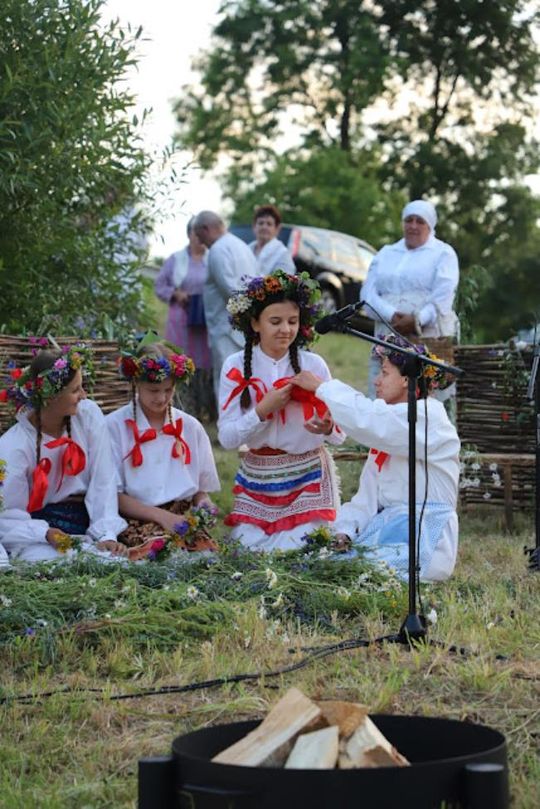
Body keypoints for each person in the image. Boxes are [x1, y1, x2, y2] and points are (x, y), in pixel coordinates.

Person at [293, 334, 460, 581]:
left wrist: (322, 387)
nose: (376, 380)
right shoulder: (389, 431)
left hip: (427, 540)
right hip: (390, 533)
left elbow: (369, 419)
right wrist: (345, 532)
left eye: (384, 373)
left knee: (343, 574)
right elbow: (366, 500)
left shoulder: (428, 416)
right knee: (320, 567)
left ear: (406, 378)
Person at [218, 269, 345, 551]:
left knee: (295, 548)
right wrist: (262, 410)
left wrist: (329, 428)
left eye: (293, 321)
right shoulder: (235, 366)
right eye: (275, 321)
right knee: (247, 550)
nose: (286, 329)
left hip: (307, 479)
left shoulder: (314, 365)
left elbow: (340, 434)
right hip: (259, 479)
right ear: (254, 323)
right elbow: (227, 439)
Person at [0, 344, 128, 562]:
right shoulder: (13, 446)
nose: (84, 395)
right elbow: (7, 515)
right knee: (57, 565)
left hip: (86, 522)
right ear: (51, 397)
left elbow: (103, 481)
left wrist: (106, 533)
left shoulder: (88, 416)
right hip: (39, 534)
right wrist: (44, 533)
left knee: (110, 562)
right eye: (75, 390)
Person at [106, 340, 220, 549]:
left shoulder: (190, 426)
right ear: (136, 384)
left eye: (168, 390)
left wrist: (204, 506)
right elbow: (114, 495)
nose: (161, 398)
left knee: (207, 557)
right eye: (153, 390)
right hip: (139, 519)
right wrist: (162, 517)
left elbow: (200, 491)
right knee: (160, 555)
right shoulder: (114, 426)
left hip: (182, 519)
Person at [362, 200, 459, 402]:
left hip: (426, 336)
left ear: (430, 225)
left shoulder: (443, 253)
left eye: (420, 221)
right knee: (383, 394)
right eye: (409, 220)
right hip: (387, 332)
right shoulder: (386, 253)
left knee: (424, 396)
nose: (413, 226)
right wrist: (391, 315)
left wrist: (416, 320)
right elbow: (368, 294)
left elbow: (443, 295)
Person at [192, 211, 258, 402]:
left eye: (198, 233)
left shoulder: (218, 250)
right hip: (246, 326)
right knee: (245, 376)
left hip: (226, 326)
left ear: (206, 229)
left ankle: (227, 425)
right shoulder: (242, 246)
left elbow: (229, 290)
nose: (198, 239)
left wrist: (245, 315)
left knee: (226, 378)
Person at [154, 217, 214, 420]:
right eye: (194, 233)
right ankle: (183, 409)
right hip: (181, 317)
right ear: (189, 234)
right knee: (180, 360)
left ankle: (207, 409)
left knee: (206, 365)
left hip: (205, 318)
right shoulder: (176, 259)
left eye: (201, 233)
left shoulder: (213, 258)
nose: (198, 238)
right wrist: (175, 294)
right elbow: (160, 285)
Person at [248, 204, 296, 274]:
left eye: (269, 224)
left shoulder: (283, 254)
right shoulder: (247, 249)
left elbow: (286, 283)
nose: (264, 227)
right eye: (261, 223)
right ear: (254, 227)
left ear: (277, 229)